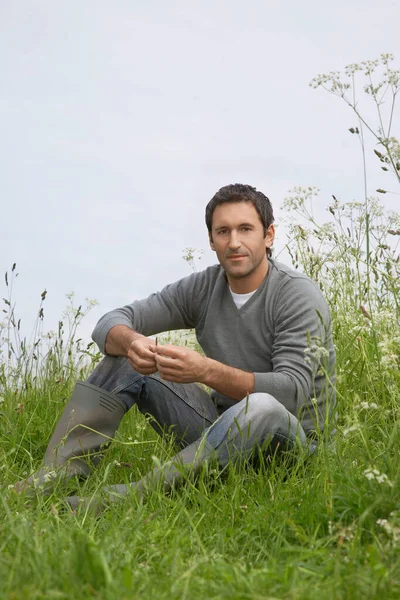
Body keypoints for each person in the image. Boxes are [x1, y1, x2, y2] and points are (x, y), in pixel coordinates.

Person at [15, 183, 336, 510]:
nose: (234, 242)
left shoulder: (296, 296)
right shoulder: (203, 287)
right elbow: (109, 323)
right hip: (217, 434)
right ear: (211, 241)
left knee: (262, 406)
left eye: (245, 229)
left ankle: (124, 499)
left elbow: (292, 391)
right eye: (223, 231)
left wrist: (206, 371)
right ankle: (56, 476)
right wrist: (133, 342)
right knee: (125, 356)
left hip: (291, 451)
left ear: (268, 236)